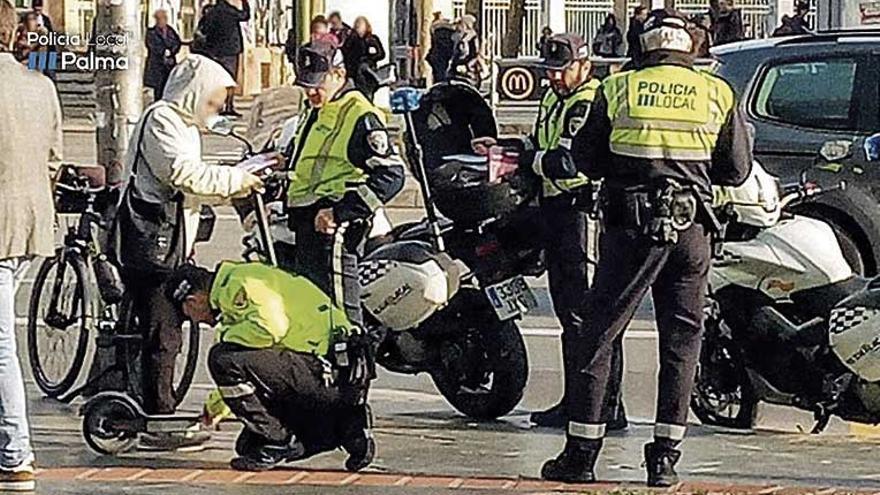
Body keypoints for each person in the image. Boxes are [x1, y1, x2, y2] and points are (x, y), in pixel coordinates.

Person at [541, 9, 752, 486]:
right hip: (691, 229)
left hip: (630, 229)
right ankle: (664, 459)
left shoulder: (620, 88)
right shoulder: (717, 91)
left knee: (598, 334)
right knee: (681, 342)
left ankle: (581, 454)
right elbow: (736, 170)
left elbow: (585, 158)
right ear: (688, 49)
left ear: (643, 47)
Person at [116, 54, 270, 451]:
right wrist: (237, 179)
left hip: (172, 243)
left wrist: (242, 172)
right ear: (195, 92)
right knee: (163, 330)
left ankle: (151, 405)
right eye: (214, 101)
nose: (216, 110)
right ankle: (158, 419)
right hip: (151, 246)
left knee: (166, 326)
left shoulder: (185, 125)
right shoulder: (163, 120)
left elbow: (194, 178)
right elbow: (183, 175)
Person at [517, 34, 628, 431]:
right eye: (548, 71)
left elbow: (568, 162)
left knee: (587, 313)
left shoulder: (587, 102)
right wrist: (511, 148)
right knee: (570, 313)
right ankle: (578, 399)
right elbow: (539, 142)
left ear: (584, 66)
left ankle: (603, 406)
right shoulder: (554, 98)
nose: (554, 78)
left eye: (561, 70)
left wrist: (525, 160)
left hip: (580, 213)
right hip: (554, 211)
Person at [168, 262, 376, 472]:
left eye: (188, 315)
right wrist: (216, 407)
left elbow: (270, 329)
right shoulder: (237, 282)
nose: (197, 321)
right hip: (339, 375)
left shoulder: (242, 286)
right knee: (249, 446)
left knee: (222, 359)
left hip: (328, 372)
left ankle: (279, 441)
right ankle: (349, 429)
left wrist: (225, 337)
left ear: (193, 301)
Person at [288, 39, 406, 330]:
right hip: (307, 223)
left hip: (335, 230)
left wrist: (340, 212)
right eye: (306, 84)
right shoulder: (319, 106)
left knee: (341, 314)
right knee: (316, 309)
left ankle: (352, 371)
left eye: (317, 83)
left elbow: (391, 176)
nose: (311, 91)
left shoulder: (358, 114)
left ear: (339, 75)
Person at [0, 1, 61, 489]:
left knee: (1, 345)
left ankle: (16, 451)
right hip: (28, 226)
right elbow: (54, 161)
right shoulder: (41, 87)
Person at [197, 0, 250, 117]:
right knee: (230, 79)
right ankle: (229, 105)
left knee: (217, 79)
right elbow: (245, 15)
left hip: (215, 51)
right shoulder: (231, 11)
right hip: (230, 51)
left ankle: (217, 105)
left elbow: (204, 30)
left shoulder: (211, 12)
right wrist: (244, 2)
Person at [341, 16, 386, 101]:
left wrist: (369, 57)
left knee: (367, 93)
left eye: (360, 26)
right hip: (353, 72)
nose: (358, 28)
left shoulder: (372, 39)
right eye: (357, 26)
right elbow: (346, 53)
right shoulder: (352, 40)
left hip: (367, 71)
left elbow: (381, 54)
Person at [144, 9, 182, 101]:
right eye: (159, 19)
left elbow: (177, 42)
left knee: (169, 87)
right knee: (158, 90)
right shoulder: (152, 32)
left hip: (169, 65)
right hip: (157, 66)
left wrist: (172, 50)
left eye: (164, 18)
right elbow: (152, 45)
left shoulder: (170, 31)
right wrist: (162, 51)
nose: (162, 20)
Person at [450, 14, 482, 86]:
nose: (458, 26)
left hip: (468, 65)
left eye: (460, 23)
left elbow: (475, 53)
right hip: (457, 64)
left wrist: (468, 65)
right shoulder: (456, 35)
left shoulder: (472, 36)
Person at [426, 18, 455, 84]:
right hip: (440, 57)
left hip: (437, 56)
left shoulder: (438, 35)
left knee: (439, 76)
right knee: (441, 76)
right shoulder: (447, 36)